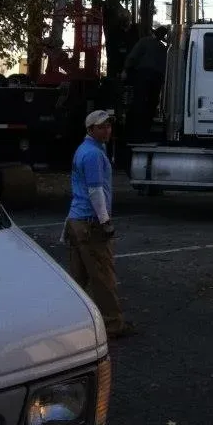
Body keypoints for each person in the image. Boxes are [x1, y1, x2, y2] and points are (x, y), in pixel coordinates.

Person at [64, 110, 135, 340]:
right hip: (90, 223)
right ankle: (112, 324)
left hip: (77, 221)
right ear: (90, 129)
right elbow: (95, 191)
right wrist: (105, 221)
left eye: (108, 126)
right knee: (103, 276)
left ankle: (70, 320)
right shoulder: (93, 154)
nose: (107, 130)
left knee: (79, 276)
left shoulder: (86, 150)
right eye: (101, 126)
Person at [122, 25, 168, 141]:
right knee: (151, 104)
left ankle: (135, 132)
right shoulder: (163, 48)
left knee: (139, 102)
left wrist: (126, 70)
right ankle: (145, 131)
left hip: (143, 76)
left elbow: (132, 57)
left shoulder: (144, 42)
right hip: (156, 79)